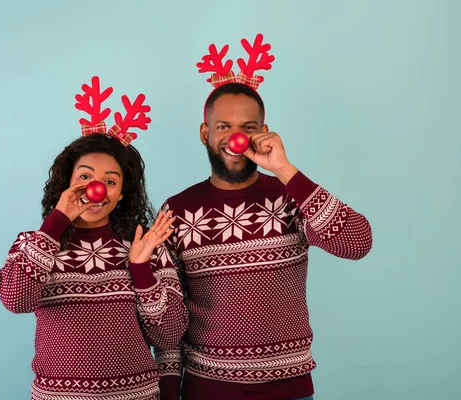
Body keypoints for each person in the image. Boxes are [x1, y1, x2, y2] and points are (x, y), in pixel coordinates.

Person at [154, 34, 373, 400]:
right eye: (223, 126)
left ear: (263, 132)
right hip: (206, 390)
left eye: (248, 127)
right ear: (205, 133)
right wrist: (168, 392)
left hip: (290, 390)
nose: (236, 137)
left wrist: (285, 169)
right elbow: (168, 322)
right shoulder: (176, 211)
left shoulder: (291, 194)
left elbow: (357, 242)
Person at [0, 76, 188, 400]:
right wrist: (56, 222)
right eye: (85, 176)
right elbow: (17, 301)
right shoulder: (34, 243)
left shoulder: (148, 246)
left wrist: (140, 269)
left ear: (123, 193)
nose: (95, 188)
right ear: (67, 182)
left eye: (109, 181)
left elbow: (168, 337)